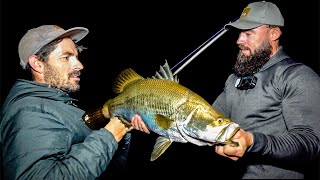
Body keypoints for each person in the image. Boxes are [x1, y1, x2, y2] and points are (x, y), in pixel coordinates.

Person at [0, 25, 148, 179]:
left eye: (76, 57)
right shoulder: (31, 112)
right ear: (37, 64)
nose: (80, 65)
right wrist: (110, 135)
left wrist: (123, 127)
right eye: (66, 57)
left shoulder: (54, 105)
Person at [210, 1, 320, 179]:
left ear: (274, 34)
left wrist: (252, 141)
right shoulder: (234, 80)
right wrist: (157, 116)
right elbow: (205, 121)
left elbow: (309, 143)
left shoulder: (297, 76)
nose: (239, 40)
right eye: (239, 33)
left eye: (248, 33)